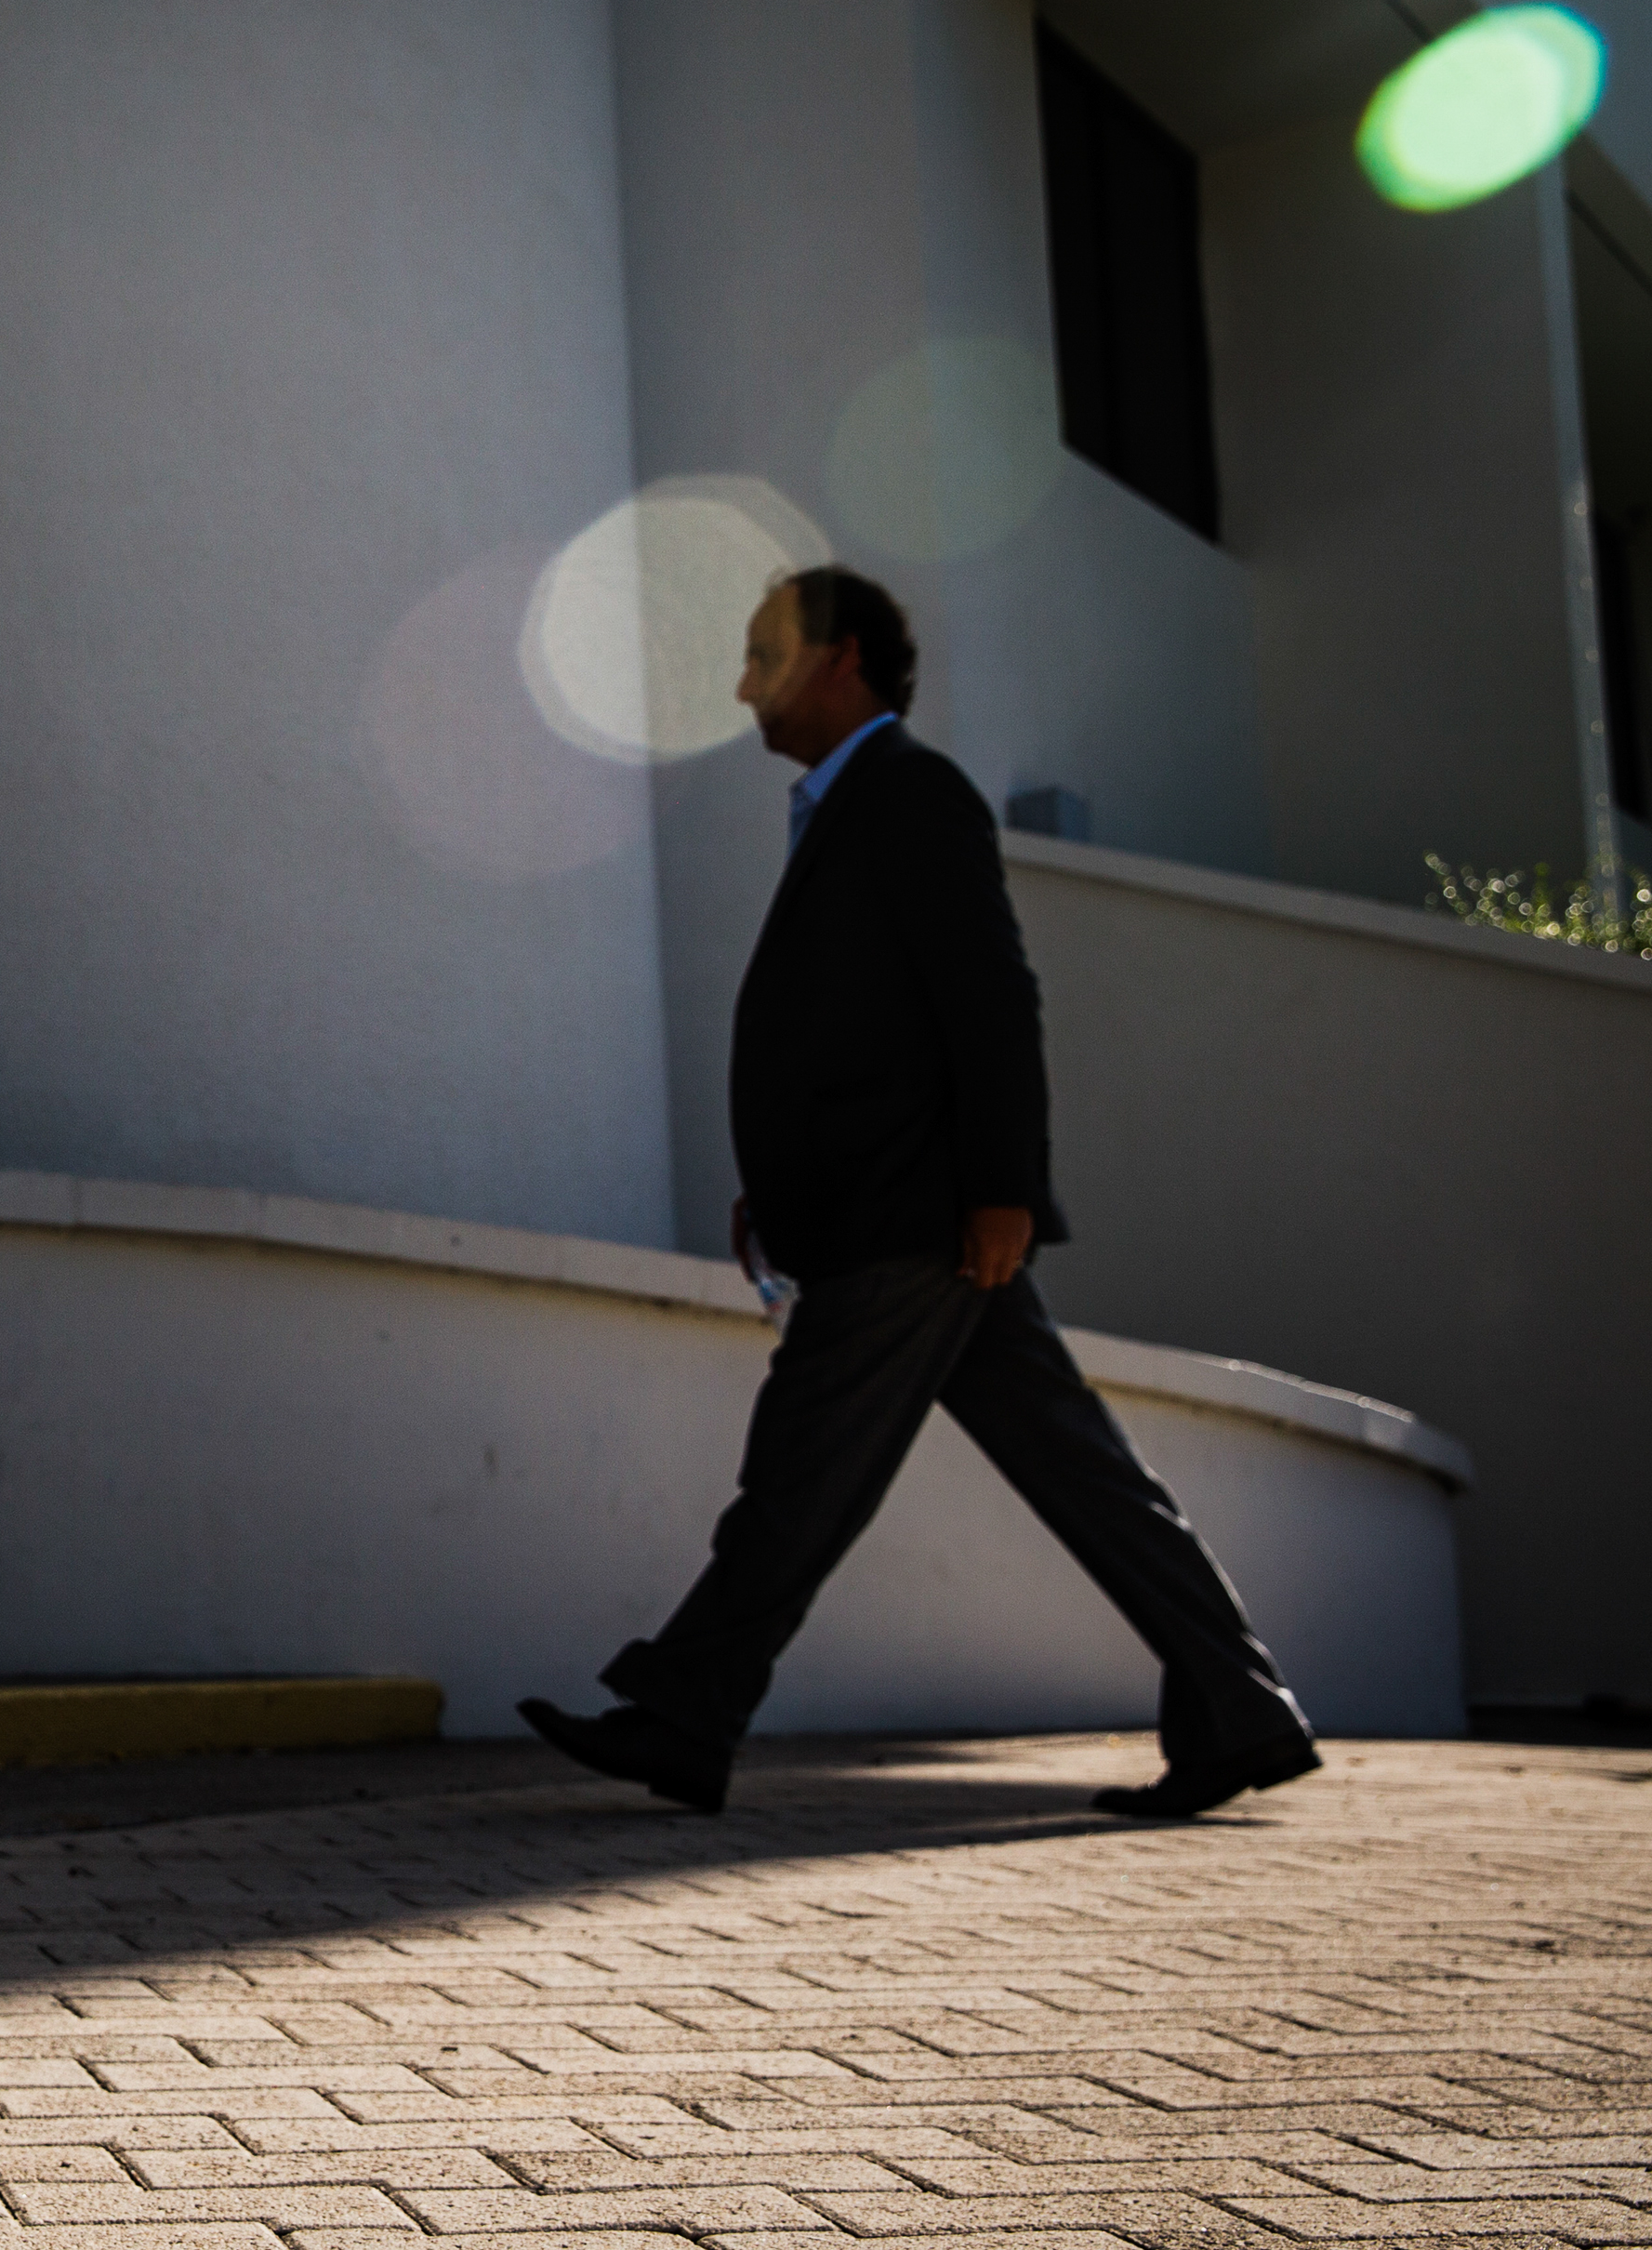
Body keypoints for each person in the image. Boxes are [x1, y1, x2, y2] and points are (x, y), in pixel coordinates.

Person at [518, 568, 1317, 1822]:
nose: (742, 686)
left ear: (841, 658)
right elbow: (860, 1029)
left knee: (801, 1467)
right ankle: (1241, 1706)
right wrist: (773, 1182)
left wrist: (1003, 1191)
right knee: (1083, 1473)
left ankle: (685, 1707)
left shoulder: (909, 792)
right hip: (907, 1214)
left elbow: (992, 998)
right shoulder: (847, 807)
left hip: (917, 1221)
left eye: (763, 652)